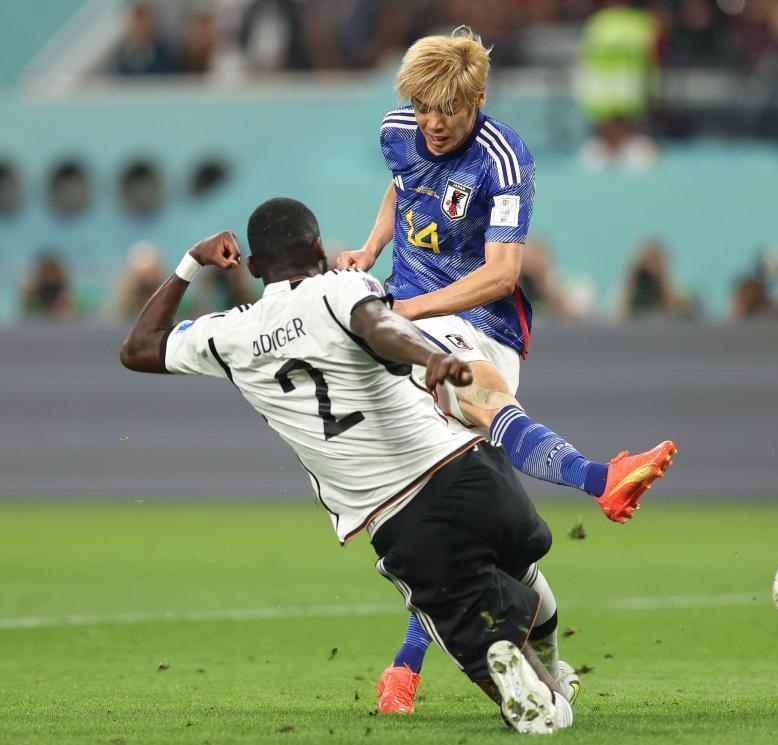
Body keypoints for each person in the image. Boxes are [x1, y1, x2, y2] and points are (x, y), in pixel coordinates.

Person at [118, 197, 576, 735]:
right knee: (518, 570)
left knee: (538, 712)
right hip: (477, 474)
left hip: (406, 518)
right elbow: (378, 325)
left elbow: (138, 348)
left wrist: (191, 263)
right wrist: (429, 356)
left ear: (255, 266)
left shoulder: (229, 334)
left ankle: (538, 689)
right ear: (319, 248)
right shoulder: (342, 286)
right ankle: (550, 665)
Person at [335, 27, 677, 714]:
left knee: (444, 492)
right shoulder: (399, 131)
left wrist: (406, 307)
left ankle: (597, 478)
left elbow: (502, 275)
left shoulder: (503, 157)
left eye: (449, 110)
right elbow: (401, 188)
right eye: (423, 107)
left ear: (478, 100)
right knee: (454, 522)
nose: (433, 122)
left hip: (481, 325)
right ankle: (426, 668)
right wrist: (371, 249)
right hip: (414, 321)